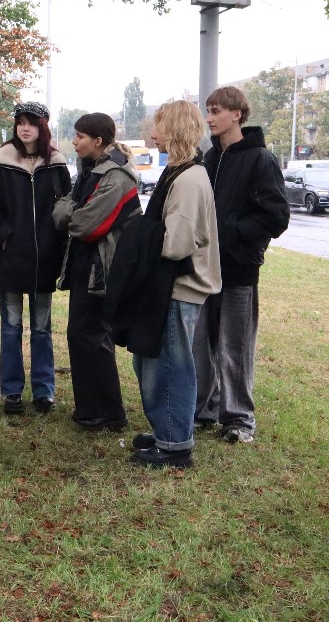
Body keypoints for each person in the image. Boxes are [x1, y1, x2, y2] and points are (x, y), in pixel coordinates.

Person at [108, 101, 221, 469]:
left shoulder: (187, 179)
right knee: (152, 362)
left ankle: (174, 445)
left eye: (159, 127)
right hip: (166, 285)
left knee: (170, 367)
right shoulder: (179, 172)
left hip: (179, 286)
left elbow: (176, 244)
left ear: (175, 131)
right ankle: (166, 431)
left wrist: (138, 234)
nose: (152, 135)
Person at [192, 86, 289, 444]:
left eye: (216, 110)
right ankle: (203, 409)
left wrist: (228, 234)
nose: (209, 118)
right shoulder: (210, 158)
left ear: (237, 114)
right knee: (200, 344)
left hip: (238, 268)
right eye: (208, 110)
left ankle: (238, 419)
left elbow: (276, 217)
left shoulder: (261, 159)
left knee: (234, 347)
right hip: (204, 267)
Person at [0, 101, 70, 415]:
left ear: (42, 127)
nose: (25, 128)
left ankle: (44, 391)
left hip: (45, 260)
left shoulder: (56, 163)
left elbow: (66, 208)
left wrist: (58, 243)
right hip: (10, 259)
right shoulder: (1, 161)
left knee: (42, 329)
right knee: (11, 327)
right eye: (20, 122)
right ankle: (12, 391)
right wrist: (4, 236)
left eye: (31, 123)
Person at [52, 113, 141, 432]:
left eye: (80, 136)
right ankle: (90, 408)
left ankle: (108, 413)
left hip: (102, 269)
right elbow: (63, 209)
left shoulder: (116, 176)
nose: (74, 141)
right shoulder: (89, 170)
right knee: (80, 335)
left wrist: (71, 212)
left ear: (98, 141)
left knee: (93, 336)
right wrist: (72, 211)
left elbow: (86, 225)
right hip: (85, 266)